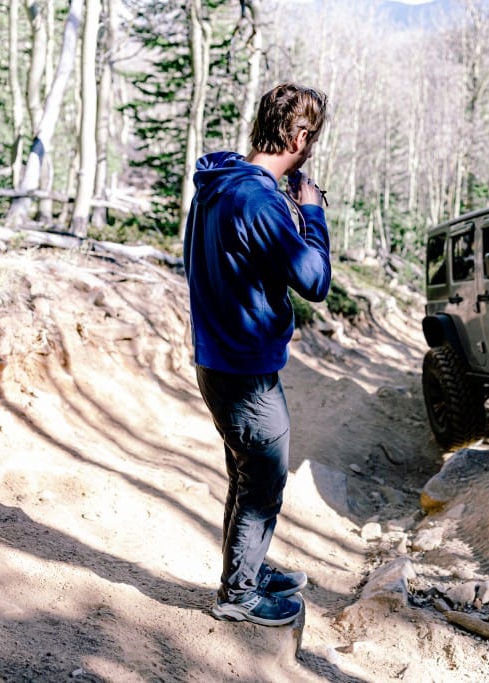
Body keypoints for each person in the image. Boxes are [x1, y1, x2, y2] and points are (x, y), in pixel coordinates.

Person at [183, 83, 331, 626]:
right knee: (264, 479)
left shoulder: (218, 183)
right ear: (298, 136)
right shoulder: (257, 198)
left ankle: (247, 567)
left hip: (219, 356)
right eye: (312, 140)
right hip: (243, 365)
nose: (311, 150)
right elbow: (314, 280)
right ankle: (238, 594)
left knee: (247, 476)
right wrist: (312, 215)